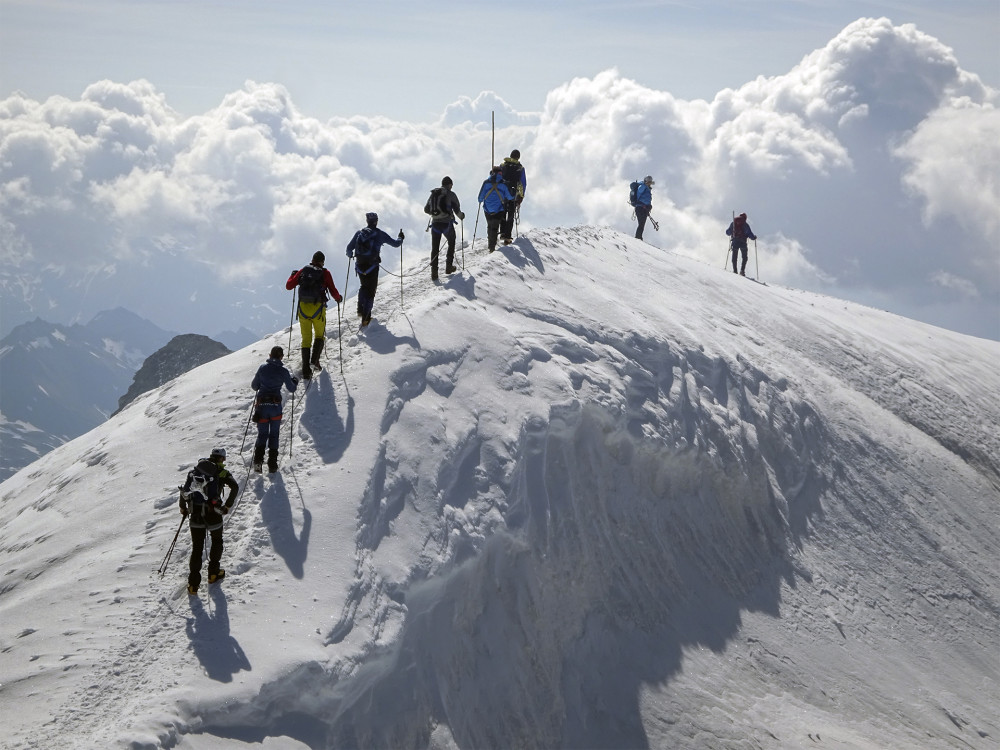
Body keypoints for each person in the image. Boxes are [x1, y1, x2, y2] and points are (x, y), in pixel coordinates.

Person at [179, 447, 240, 595]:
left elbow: (185, 490)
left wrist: (183, 507)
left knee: (197, 548)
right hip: (213, 513)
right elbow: (235, 487)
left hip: (196, 513)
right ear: (222, 459)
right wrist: (227, 506)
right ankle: (213, 573)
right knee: (217, 541)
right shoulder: (221, 472)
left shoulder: (195, 472)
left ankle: (193, 584)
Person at [285, 251, 343, 380]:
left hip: (303, 310)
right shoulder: (325, 273)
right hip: (318, 310)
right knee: (319, 335)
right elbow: (333, 290)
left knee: (306, 339)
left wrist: (292, 275)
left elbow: (289, 286)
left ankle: (306, 371)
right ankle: (314, 361)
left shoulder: (303, 270)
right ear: (323, 261)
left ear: (312, 260)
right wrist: (339, 299)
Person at [346, 212, 404, 327]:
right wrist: (400, 237)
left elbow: (348, 249)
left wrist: (351, 255)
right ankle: (366, 319)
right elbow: (396, 244)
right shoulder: (380, 234)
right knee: (371, 292)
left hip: (359, 265)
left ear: (367, 221)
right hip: (372, 266)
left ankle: (360, 311)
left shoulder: (359, 233)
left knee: (363, 286)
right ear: (376, 221)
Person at [250, 346, 298, 474]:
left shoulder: (262, 368)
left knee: (262, 434)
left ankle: (258, 462)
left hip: (261, 408)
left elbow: (254, 386)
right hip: (275, 407)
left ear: (270, 355)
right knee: (274, 434)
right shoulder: (283, 371)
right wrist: (294, 382)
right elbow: (291, 389)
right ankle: (272, 465)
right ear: (281, 357)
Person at [424, 176, 466, 280]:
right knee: (451, 241)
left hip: (435, 224)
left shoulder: (434, 194)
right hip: (446, 223)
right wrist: (462, 216)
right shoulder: (451, 194)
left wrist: (435, 213)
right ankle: (448, 266)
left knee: (435, 247)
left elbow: (426, 209)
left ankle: (434, 272)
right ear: (450, 184)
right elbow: (457, 210)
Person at [478, 166, 515, 253]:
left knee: (490, 226)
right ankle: (492, 247)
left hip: (487, 209)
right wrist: (513, 191)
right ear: (500, 173)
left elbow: (480, 198)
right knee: (494, 227)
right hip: (499, 209)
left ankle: (490, 244)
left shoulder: (486, 183)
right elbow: (510, 196)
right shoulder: (503, 183)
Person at [499, 149, 526, 245]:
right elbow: (523, 183)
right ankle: (507, 236)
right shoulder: (520, 168)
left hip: (501, 193)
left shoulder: (502, 166)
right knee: (510, 215)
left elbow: (498, 177)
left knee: (502, 212)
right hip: (513, 194)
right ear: (518, 157)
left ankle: (502, 232)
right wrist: (521, 196)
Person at [634, 175, 654, 240]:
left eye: (650, 182)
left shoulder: (647, 188)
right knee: (641, 224)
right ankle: (638, 237)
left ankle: (639, 236)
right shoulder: (642, 186)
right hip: (640, 208)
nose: (649, 183)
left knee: (642, 224)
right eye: (648, 182)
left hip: (644, 208)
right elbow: (639, 194)